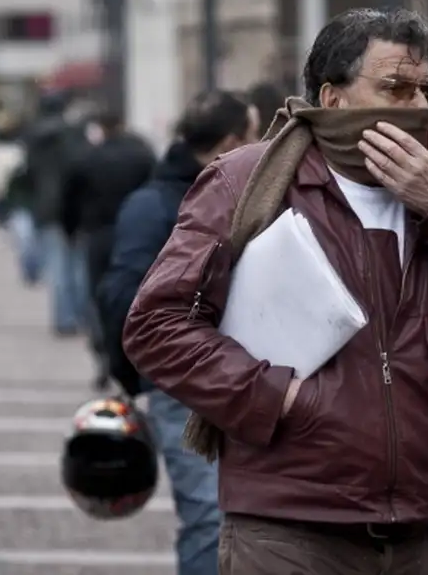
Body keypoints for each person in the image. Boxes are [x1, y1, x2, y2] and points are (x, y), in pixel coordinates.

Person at [123, 7, 428, 574]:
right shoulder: (246, 181)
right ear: (332, 98)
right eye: (396, 87)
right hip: (288, 529)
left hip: (418, 532)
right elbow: (156, 325)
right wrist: (278, 398)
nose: (420, 106)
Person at [97, 89, 260, 575]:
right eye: (255, 136)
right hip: (183, 384)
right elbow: (121, 296)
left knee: (246, 519)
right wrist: (136, 377)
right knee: (210, 517)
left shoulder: (246, 194)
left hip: (249, 379)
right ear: (232, 141)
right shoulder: (155, 205)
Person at [60, 107, 156, 391]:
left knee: (99, 298)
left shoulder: (88, 158)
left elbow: (69, 199)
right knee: (136, 295)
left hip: (98, 235)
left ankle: (104, 354)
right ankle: (133, 354)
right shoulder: (142, 156)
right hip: (136, 234)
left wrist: (71, 230)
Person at [23, 93, 91, 336]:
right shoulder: (75, 134)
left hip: (47, 208)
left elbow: (29, 174)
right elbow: (84, 167)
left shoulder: (33, 137)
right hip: (76, 207)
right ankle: (82, 315)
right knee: (78, 266)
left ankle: (63, 319)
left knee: (58, 267)